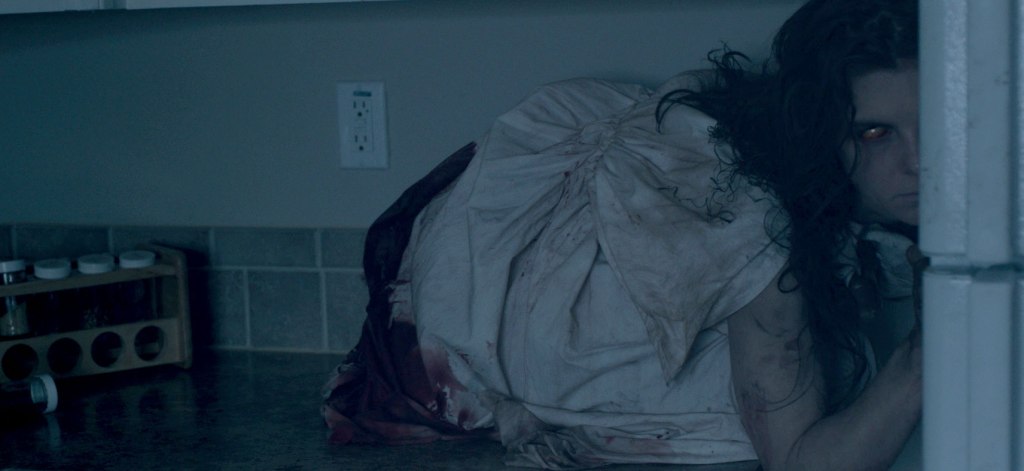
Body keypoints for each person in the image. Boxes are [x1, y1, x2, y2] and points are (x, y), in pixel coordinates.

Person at [322, 0, 923, 469]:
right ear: (819, 131)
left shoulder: (822, 202)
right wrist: (923, 359)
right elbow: (798, 463)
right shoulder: (756, 240)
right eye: (875, 134)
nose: (921, 164)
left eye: (933, 124)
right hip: (446, 318)